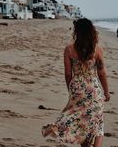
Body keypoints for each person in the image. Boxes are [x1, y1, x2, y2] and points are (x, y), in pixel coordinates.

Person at [41, 18, 110, 147]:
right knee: (98, 122)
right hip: (93, 88)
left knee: (80, 120)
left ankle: (57, 128)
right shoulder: (97, 50)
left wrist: (71, 90)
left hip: (77, 87)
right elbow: (102, 73)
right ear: (91, 31)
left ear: (77, 32)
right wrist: (106, 91)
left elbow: (68, 74)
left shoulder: (69, 49)